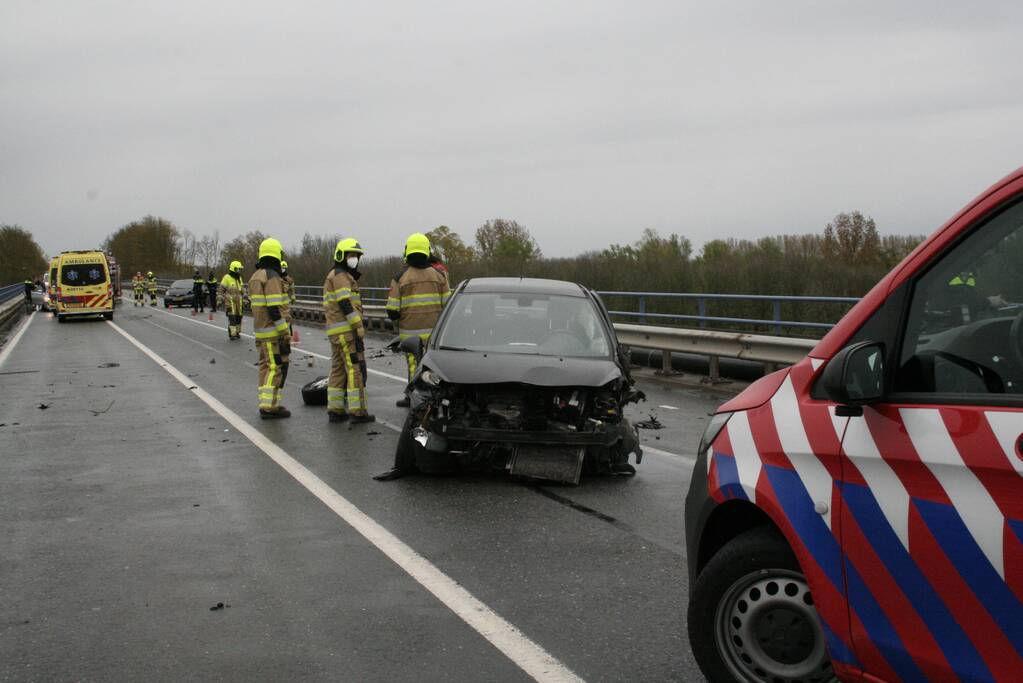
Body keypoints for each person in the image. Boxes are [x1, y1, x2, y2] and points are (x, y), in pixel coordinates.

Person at [386, 233, 451, 407]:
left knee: (414, 366)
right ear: (427, 251)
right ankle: (434, 400)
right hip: (434, 334)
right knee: (432, 366)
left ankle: (412, 398)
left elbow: (392, 311)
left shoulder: (400, 278)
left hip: (409, 335)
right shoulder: (440, 276)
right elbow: (448, 306)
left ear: (407, 251)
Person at [323, 238, 374, 424]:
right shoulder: (340, 275)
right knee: (355, 370)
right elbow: (345, 303)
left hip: (336, 332)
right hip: (346, 332)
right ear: (341, 256)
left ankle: (335, 410)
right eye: (351, 255)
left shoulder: (336, 275)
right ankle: (358, 411)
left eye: (356, 256)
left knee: (338, 370)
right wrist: (358, 326)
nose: (355, 259)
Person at [249, 238, 292, 418]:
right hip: (273, 331)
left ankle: (268, 402)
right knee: (275, 367)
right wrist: (284, 330)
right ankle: (269, 407)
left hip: (261, 330)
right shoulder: (272, 276)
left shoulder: (256, 276)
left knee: (265, 367)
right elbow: (274, 308)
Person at [219, 261, 244, 340]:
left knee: (238, 318)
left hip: (239, 303)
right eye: (238, 269)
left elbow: (242, 290)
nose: (239, 271)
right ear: (234, 268)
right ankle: (232, 334)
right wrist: (219, 300)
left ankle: (237, 332)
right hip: (229, 302)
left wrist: (246, 298)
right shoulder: (227, 277)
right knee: (232, 318)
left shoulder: (239, 278)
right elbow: (221, 289)